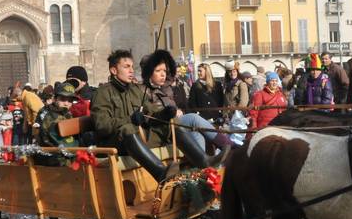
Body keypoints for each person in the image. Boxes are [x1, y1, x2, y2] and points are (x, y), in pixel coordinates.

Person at [91, 49, 179, 183]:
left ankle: (202, 162)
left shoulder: (135, 90)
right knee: (128, 128)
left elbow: (151, 114)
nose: (131, 70)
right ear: (114, 71)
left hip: (138, 138)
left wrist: (165, 114)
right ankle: (161, 173)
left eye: (132, 66)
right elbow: (102, 126)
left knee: (174, 122)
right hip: (114, 143)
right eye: (126, 67)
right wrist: (130, 119)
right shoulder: (103, 93)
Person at [140, 50, 231, 161]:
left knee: (196, 132)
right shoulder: (143, 90)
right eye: (158, 70)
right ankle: (228, 146)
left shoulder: (164, 87)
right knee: (193, 118)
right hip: (162, 128)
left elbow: (171, 75)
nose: (163, 74)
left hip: (175, 123)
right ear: (148, 72)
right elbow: (149, 116)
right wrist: (169, 112)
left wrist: (178, 110)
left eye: (164, 70)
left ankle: (200, 168)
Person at [33, 81, 80, 166]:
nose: (66, 103)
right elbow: (66, 144)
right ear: (55, 99)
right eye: (62, 99)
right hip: (55, 160)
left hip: (60, 156)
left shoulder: (65, 113)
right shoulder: (51, 117)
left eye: (70, 100)